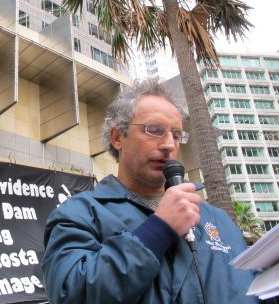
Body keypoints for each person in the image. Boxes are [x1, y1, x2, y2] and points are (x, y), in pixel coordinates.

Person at [41, 79, 258, 303]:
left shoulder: (218, 219)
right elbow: (70, 293)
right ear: (118, 137)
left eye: (176, 135)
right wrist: (158, 230)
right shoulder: (80, 214)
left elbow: (253, 287)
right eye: (154, 130)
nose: (169, 145)